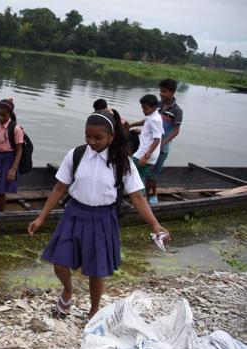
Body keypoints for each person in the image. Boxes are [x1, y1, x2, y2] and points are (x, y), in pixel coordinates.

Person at [27, 110, 170, 320]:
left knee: (96, 270)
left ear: (111, 137)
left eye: (98, 137)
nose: (91, 141)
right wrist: (40, 218)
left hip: (103, 218)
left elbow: (138, 198)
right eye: (88, 136)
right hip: (74, 214)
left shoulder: (123, 162)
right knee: (59, 262)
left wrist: (155, 225)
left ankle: (94, 310)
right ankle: (67, 291)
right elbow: (59, 188)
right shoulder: (75, 155)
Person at [147, 79, 183, 204]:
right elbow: (150, 121)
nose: (161, 94)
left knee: (153, 173)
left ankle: (145, 198)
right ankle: (153, 194)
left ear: (172, 92)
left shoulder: (177, 111)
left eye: (164, 91)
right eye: (160, 91)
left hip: (162, 147)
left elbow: (176, 130)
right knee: (150, 171)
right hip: (151, 144)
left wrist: (164, 142)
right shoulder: (158, 104)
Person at [130, 94, 164, 196]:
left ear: (154, 107)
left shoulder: (155, 120)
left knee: (127, 170)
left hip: (145, 153)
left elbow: (157, 139)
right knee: (139, 178)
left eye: (145, 108)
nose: (143, 110)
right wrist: (133, 125)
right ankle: (143, 199)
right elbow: (146, 122)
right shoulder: (153, 115)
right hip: (149, 154)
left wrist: (146, 156)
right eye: (142, 108)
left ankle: (139, 198)